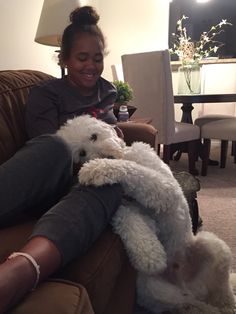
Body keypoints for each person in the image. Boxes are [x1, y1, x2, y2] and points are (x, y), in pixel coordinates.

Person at [0, 6, 123, 312]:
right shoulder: (47, 93)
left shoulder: (107, 92)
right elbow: (41, 148)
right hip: (47, 179)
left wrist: (116, 138)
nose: (91, 66)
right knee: (56, 146)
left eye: (97, 58)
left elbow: (111, 134)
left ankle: (22, 270)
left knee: (110, 175)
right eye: (82, 58)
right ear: (65, 59)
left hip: (78, 191)